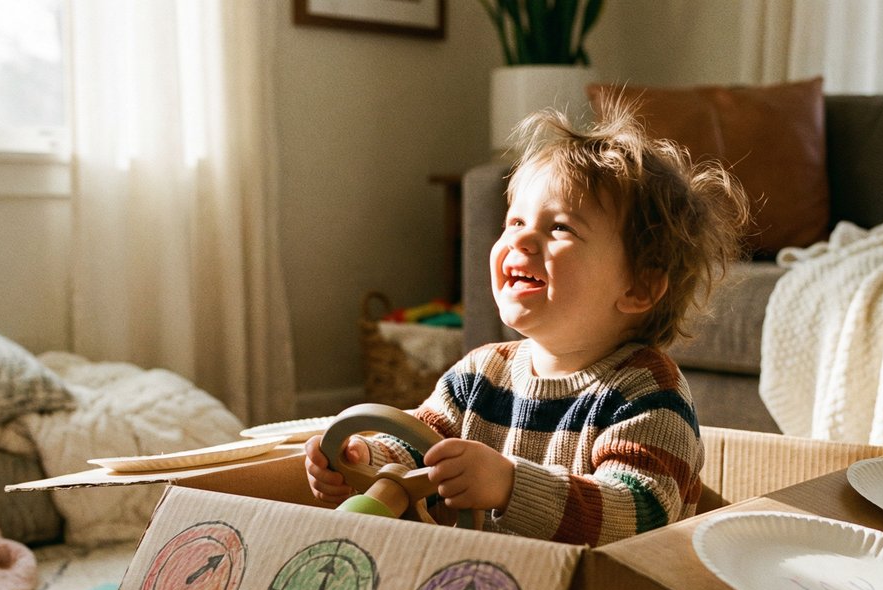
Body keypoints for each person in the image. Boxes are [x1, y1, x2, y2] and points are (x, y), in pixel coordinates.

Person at [306, 101, 750, 545]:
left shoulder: (647, 394)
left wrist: (510, 484)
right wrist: (364, 458)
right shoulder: (480, 374)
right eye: (515, 220)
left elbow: (639, 512)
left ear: (637, 288)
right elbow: (421, 447)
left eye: (560, 228)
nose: (520, 237)